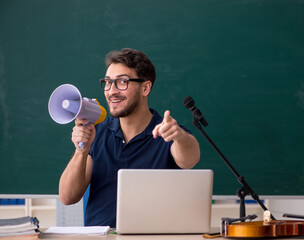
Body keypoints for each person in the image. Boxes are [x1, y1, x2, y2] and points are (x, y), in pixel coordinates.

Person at [58, 48, 200, 227]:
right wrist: (81, 151)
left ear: (145, 87)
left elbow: (189, 159)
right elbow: (67, 197)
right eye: (108, 83)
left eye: (122, 82)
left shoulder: (167, 131)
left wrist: (180, 137)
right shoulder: (97, 133)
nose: (111, 91)